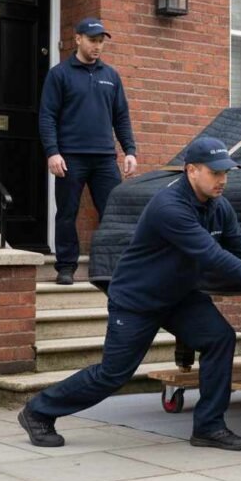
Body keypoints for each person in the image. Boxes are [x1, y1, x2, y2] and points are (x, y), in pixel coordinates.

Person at [18, 137, 241, 450]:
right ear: (192, 170)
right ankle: (38, 411)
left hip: (179, 295)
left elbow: (239, 249)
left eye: (226, 173)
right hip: (138, 298)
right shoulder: (170, 208)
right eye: (215, 173)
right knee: (114, 373)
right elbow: (212, 256)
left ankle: (209, 427)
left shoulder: (219, 207)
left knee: (220, 338)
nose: (223, 180)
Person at [39, 17, 138, 285]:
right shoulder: (59, 74)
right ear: (78, 39)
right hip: (70, 157)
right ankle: (66, 267)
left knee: (113, 212)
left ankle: (113, 267)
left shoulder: (111, 76)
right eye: (93, 40)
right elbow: (47, 116)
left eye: (101, 41)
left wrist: (129, 150)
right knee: (67, 212)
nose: (97, 46)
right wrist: (52, 152)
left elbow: (121, 117)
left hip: (105, 157)